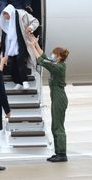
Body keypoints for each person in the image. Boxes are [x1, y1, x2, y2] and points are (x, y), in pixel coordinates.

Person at [27, 34, 69, 162]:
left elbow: (41, 61)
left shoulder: (59, 67)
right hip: (56, 97)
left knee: (58, 126)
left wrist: (32, 47)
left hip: (59, 98)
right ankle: (58, 152)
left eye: (54, 54)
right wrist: (36, 43)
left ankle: (62, 154)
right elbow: (44, 57)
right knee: (55, 126)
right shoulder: (56, 63)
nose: (52, 55)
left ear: (59, 56)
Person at [0, 4, 39, 90]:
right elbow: (1, 32)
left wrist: (30, 27)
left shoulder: (22, 15)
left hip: (21, 43)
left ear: (10, 13)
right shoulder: (5, 21)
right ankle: (18, 82)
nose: (5, 18)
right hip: (10, 46)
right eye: (4, 15)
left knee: (20, 61)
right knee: (12, 66)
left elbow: (35, 21)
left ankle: (25, 81)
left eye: (6, 15)